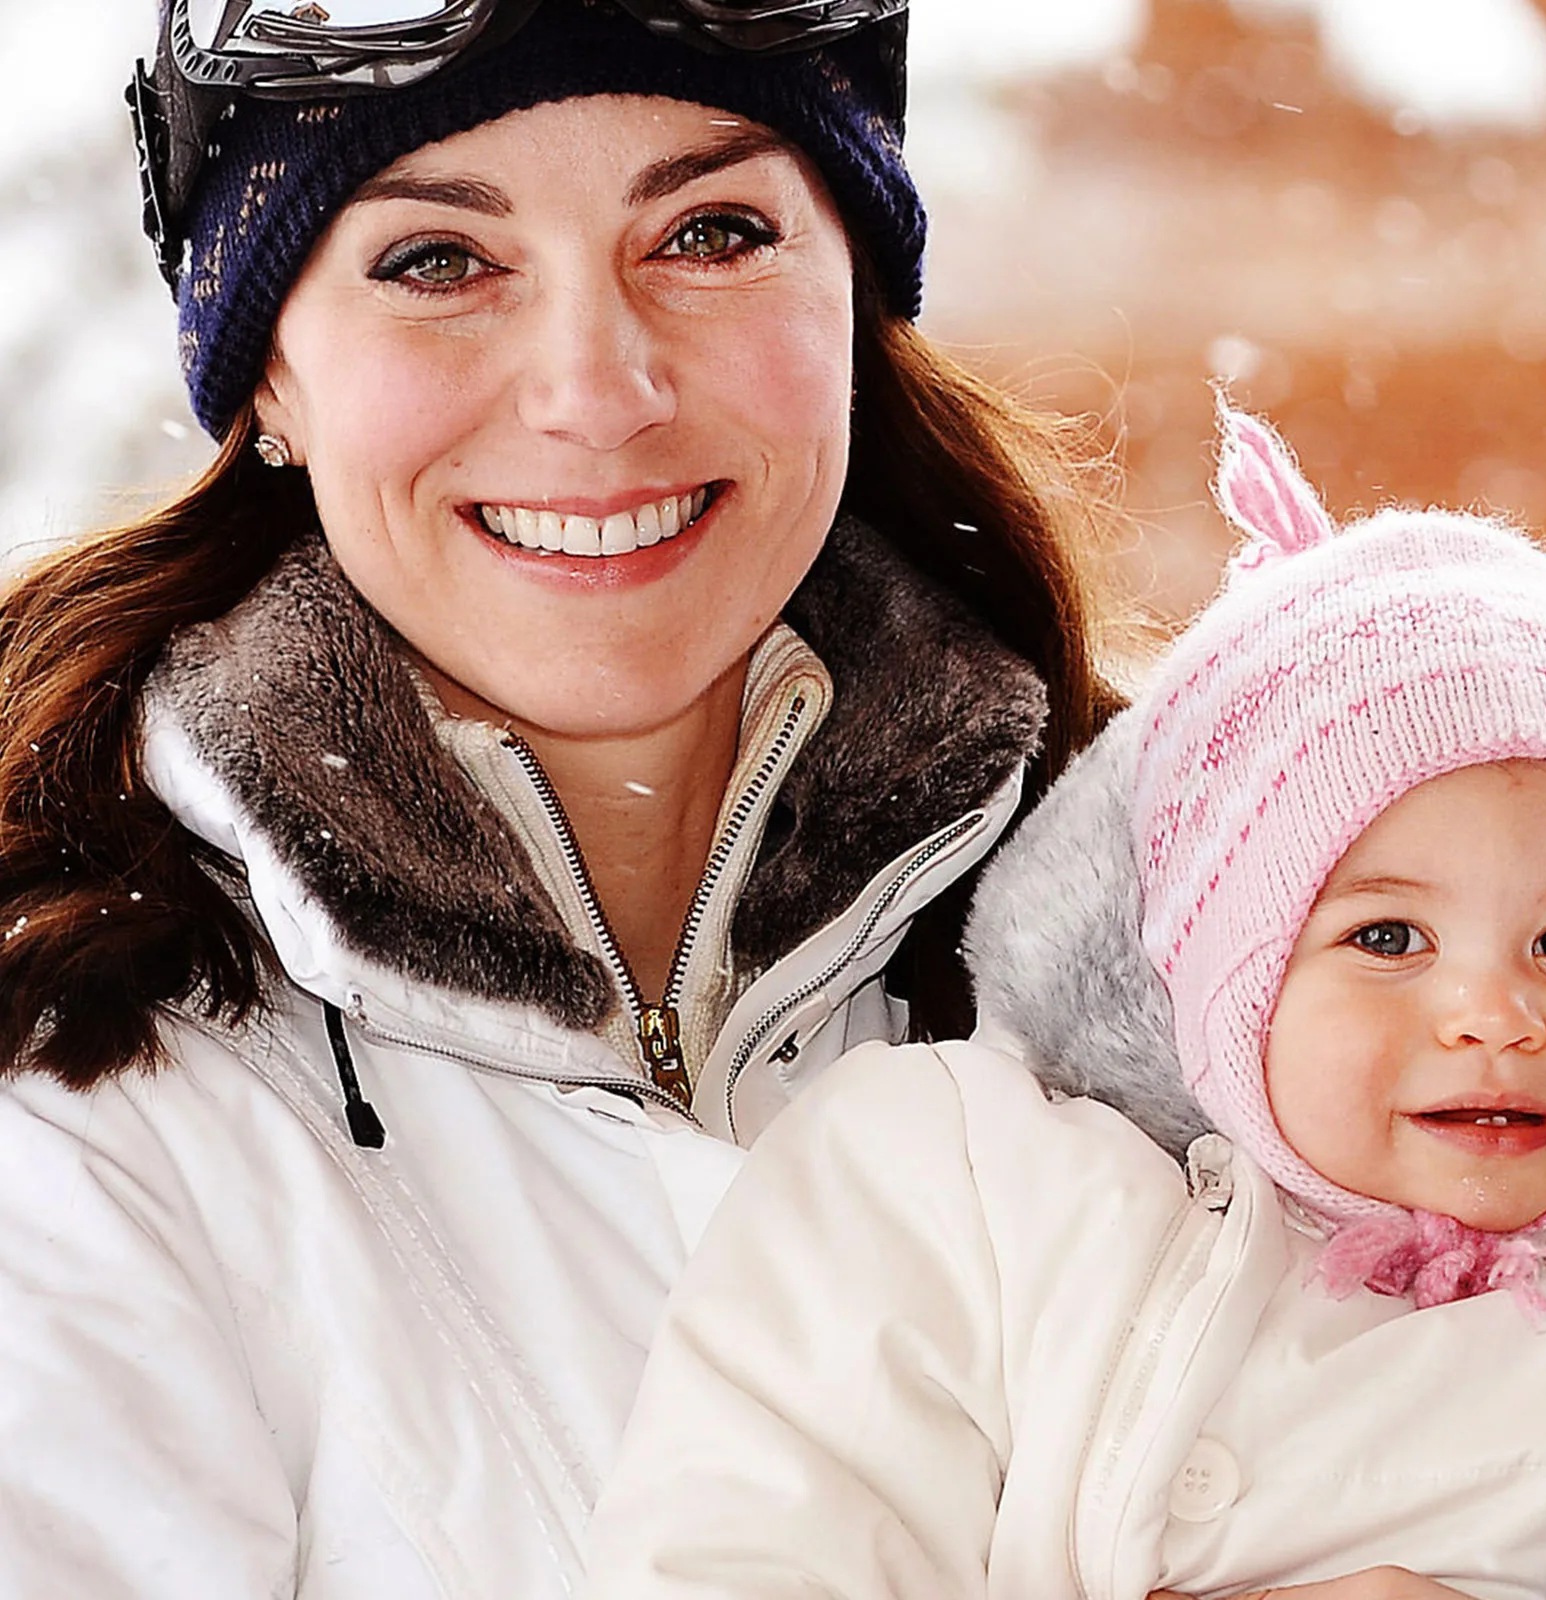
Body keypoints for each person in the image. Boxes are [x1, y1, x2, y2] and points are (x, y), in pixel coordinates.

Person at [0, 3, 1125, 1593]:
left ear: (850, 294)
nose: (598, 393)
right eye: (439, 263)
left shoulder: (1233, 949)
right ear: (270, 377)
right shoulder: (82, 1109)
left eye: (712, 232)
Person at [587, 406, 1546, 1600]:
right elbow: (749, 1551)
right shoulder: (975, 1200)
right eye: (1387, 935)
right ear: (1224, 971)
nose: (1492, 1013)